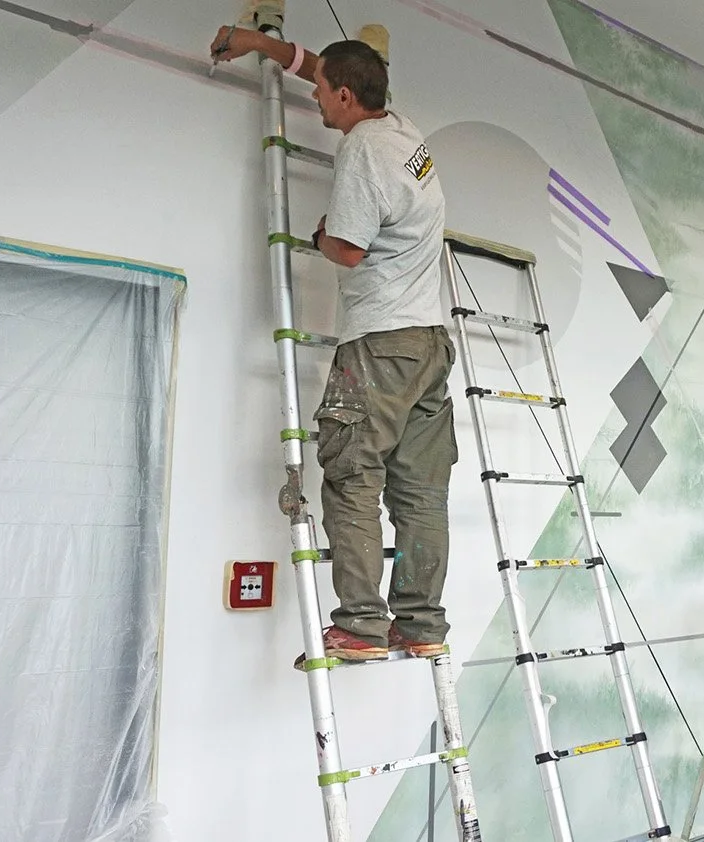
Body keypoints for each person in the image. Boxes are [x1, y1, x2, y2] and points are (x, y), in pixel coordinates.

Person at [211, 26, 455, 662]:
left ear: (346, 97)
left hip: (378, 343)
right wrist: (265, 47)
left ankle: (361, 625)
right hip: (429, 341)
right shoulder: (404, 131)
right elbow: (332, 66)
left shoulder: (363, 151)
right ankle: (422, 623)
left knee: (350, 476)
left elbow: (348, 250)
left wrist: (319, 236)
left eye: (322, 94)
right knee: (421, 494)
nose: (317, 103)